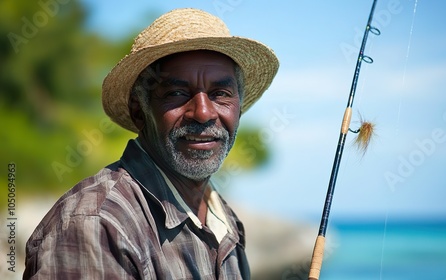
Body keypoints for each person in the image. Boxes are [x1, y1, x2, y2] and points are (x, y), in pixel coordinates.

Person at [23, 8, 278, 280]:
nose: (203, 113)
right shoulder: (96, 224)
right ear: (139, 110)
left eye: (220, 94)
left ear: (238, 108)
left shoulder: (224, 221)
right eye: (177, 93)